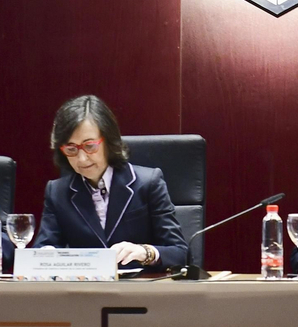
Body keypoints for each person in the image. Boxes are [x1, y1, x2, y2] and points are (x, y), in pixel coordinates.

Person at [32, 95, 187, 270]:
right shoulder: (57, 192)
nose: (81, 158)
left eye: (90, 146)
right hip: (83, 293)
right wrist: (47, 254)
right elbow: (42, 249)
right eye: (71, 149)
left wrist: (146, 252)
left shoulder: (148, 183)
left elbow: (179, 252)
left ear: (109, 141)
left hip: (139, 290)